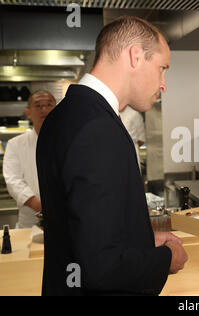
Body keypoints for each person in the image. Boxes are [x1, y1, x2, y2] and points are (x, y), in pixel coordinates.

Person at [36, 16, 188, 296]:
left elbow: (83, 231)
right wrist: (166, 259)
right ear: (135, 56)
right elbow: (103, 268)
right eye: (162, 68)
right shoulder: (97, 129)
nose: (163, 83)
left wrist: (141, 240)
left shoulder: (65, 115)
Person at [3, 90, 56, 228]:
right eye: (38, 105)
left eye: (48, 105)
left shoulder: (68, 141)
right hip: (30, 220)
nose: (43, 109)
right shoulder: (15, 144)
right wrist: (40, 206)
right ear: (28, 112)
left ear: (56, 109)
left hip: (64, 217)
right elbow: (13, 180)